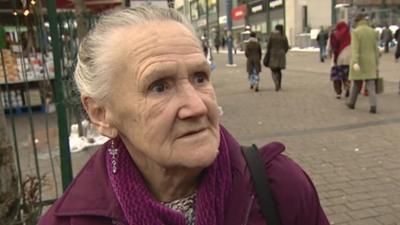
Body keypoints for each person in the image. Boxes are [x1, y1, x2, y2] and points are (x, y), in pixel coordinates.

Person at [38, 6, 329, 225]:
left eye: (200, 77)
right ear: (101, 114)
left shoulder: (279, 186)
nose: (198, 107)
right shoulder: (69, 220)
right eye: (159, 86)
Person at [347, 14, 380, 114]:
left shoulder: (356, 32)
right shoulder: (372, 31)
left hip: (360, 61)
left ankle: (352, 103)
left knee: (357, 83)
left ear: (357, 22)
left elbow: (355, 49)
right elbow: (376, 49)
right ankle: (373, 105)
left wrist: (355, 62)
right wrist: (376, 63)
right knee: (371, 85)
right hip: (371, 61)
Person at [329, 21, 351, 99]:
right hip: (348, 59)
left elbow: (332, 46)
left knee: (336, 77)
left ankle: (338, 93)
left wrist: (331, 55)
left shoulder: (334, 34)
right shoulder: (349, 35)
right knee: (347, 76)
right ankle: (347, 87)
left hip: (337, 58)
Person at [265, 24, 289, 91]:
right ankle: (279, 85)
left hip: (273, 54)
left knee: (273, 70)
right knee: (279, 70)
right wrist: (283, 52)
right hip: (281, 55)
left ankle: (276, 83)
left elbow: (268, 46)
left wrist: (268, 53)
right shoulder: (284, 36)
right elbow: (286, 46)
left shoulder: (272, 36)